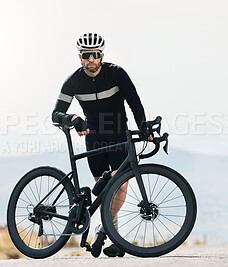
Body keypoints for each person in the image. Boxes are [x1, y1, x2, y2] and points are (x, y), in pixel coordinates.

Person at [52, 33, 151, 257]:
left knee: (120, 185)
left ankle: (104, 230)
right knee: (106, 191)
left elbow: (135, 103)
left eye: (95, 55)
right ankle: (110, 232)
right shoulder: (74, 81)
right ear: (80, 57)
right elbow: (55, 113)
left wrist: (143, 127)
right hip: (93, 140)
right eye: (86, 56)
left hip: (117, 136)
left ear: (101, 55)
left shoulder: (116, 74)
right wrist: (74, 120)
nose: (91, 60)